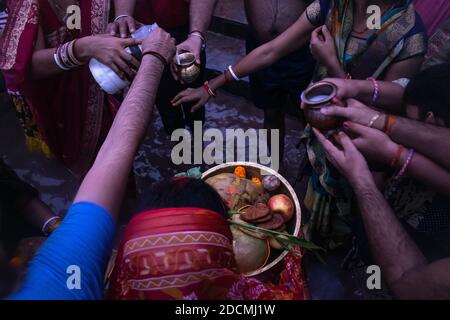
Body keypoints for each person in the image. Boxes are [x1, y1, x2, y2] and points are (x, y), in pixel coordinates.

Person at [7, 27, 177, 299]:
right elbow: (18, 68)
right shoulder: (55, 283)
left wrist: (60, 229)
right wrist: (153, 56)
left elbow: (13, 191)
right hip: (63, 103)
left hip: (101, 92)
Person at [0, 0, 141, 176]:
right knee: (98, 169)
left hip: (109, 75)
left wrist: (122, 15)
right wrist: (81, 49)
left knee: (122, 151)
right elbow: (25, 66)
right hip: (69, 100)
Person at [313, 128, 450, 299]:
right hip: (388, 216)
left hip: (406, 256)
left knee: (372, 277)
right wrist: (389, 142)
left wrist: (362, 181)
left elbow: (406, 281)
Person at [107, 0, 218, 135]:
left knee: (194, 91)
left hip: (187, 25)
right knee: (163, 98)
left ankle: (197, 136)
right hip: (143, 31)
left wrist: (196, 35)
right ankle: (178, 143)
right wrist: (123, 14)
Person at [241, 0, 316, 160]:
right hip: (259, 47)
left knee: (309, 113)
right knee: (271, 113)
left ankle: (314, 165)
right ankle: (276, 166)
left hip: (301, 49)